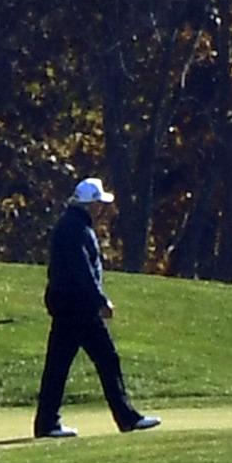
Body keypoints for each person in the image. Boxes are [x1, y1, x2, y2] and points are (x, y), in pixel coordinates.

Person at [34, 177, 161, 439]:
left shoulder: (72, 225)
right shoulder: (76, 229)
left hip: (69, 305)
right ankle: (126, 418)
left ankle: (47, 423)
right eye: (98, 204)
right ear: (89, 204)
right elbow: (83, 271)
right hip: (78, 308)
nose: (101, 209)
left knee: (59, 366)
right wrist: (100, 301)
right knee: (106, 359)